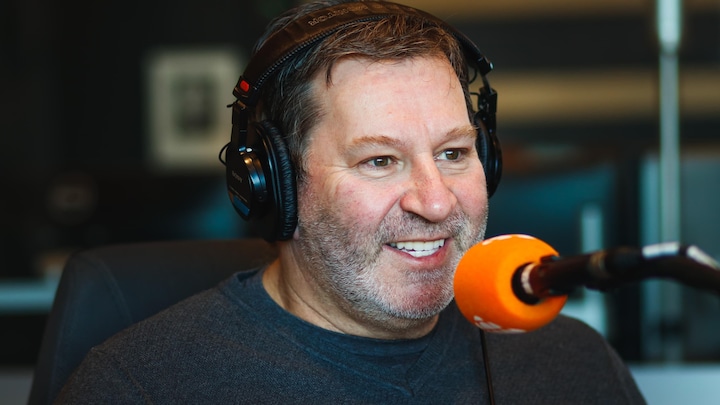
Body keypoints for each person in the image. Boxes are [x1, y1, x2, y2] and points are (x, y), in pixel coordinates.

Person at [56, 0, 646, 403]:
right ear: (275, 186)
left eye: (453, 153)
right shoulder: (141, 387)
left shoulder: (574, 363)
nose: (436, 203)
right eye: (380, 161)